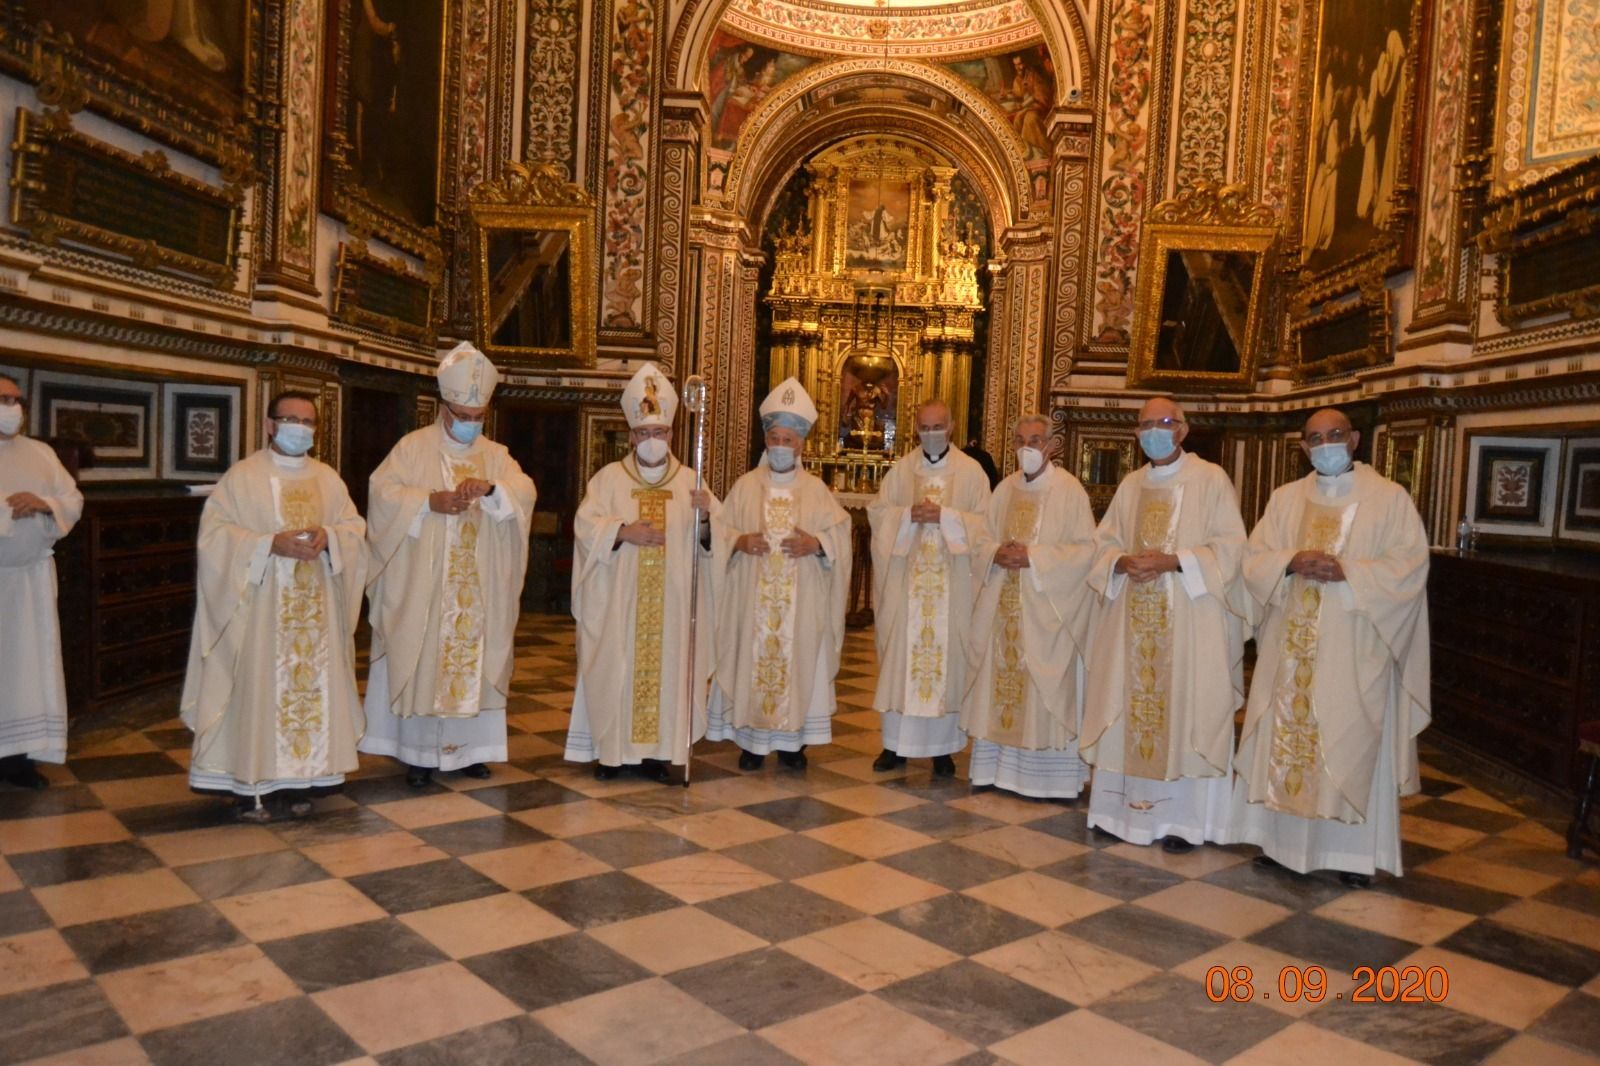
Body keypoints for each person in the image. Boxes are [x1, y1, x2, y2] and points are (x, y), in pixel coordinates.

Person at [1221, 408, 1430, 886]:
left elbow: (1409, 567)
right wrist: (1290, 561)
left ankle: (1352, 856)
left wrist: (1349, 571)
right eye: (1314, 438)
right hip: (1290, 648)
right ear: (1303, 448)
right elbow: (1254, 560)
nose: (1325, 444)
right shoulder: (1286, 499)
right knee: (1287, 743)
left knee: (1348, 742)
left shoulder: (1388, 498)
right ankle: (1279, 845)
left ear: (1355, 439)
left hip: (1354, 650)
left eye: (1335, 434)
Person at [182, 391, 368, 820]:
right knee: (259, 691)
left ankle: (300, 781)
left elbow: (353, 527)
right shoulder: (242, 478)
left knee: (307, 692)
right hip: (260, 612)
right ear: (269, 425)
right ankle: (251, 787)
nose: (299, 428)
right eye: (290, 419)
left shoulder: (328, 478)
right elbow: (214, 538)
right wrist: (268, 544)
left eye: (307, 422)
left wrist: (330, 538)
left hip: (314, 611)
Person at [362, 342, 537, 788]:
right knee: (426, 660)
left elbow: (524, 490)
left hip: (478, 592)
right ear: (444, 408)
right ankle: (418, 754)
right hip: (425, 589)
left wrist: (494, 491)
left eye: (478, 417)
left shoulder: (496, 454)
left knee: (473, 664)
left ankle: (469, 753)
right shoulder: (412, 448)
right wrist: (427, 503)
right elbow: (381, 495)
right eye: (462, 414)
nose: (470, 424)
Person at [1081, 397, 1248, 852]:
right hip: (1131, 619)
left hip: (1188, 623)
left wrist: (1175, 560)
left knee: (1185, 712)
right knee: (1125, 703)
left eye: (1165, 422)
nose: (1155, 430)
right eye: (1146, 424)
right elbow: (1102, 544)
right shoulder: (1131, 485)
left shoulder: (1211, 479)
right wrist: (1119, 563)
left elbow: (1232, 549)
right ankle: (1118, 811)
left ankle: (1184, 821)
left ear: (1183, 429)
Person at [567, 363, 716, 780]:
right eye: (645, 433)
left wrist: (706, 521)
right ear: (632, 435)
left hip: (671, 607)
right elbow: (584, 525)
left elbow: (712, 545)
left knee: (669, 670)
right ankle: (613, 754)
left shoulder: (692, 482)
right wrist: (621, 531)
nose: (653, 441)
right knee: (616, 667)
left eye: (661, 433)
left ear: (672, 434)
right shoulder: (608, 480)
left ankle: (663, 753)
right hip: (620, 604)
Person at [709, 378, 851, 771]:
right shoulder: (745, 485)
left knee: (800, 663)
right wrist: (738, 541)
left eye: (789, 440)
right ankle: (752, 744)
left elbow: (840, 533)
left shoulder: (817, 490)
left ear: (801, 445)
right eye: (775, 437)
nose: (782, 446)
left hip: (801, 603)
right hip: (751, 601)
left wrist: (818, 544)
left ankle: (793, 744)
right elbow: (720, 530)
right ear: (765, 440)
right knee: (751, 660)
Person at [963, 415, 1097, 798]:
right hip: (1002, 608)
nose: (1027, 448)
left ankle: (1048, 780)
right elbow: (981, 541)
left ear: (1052, 446)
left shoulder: (1069, 491)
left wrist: (1035, 558)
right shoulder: (1003, 490)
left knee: (1041, 690)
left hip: (1045, 614)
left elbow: (1086, 551)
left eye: (1035, 441)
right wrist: (995, 554)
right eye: (1020, 440)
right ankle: (994, 771)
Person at [867, 399, 992, 776]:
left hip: (952, 587)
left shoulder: (972, 473)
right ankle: (895, 747)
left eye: (938, 427)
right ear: (915, 429)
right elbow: (878, 513)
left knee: (947, 662)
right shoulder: (901, 471)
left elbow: (987, 524)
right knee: (901, 662)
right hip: (907, 587)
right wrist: (906, 516)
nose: (932, 434)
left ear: (951, 426)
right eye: (925, 427)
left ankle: (943, 750)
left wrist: (947, 518)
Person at [0, 374, 82, 790]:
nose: (12, 408)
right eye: (3, 399)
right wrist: (6, 512)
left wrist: (44, 503)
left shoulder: (40, 453)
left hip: (29, 581)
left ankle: (19, 758)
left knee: (27, 673)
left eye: (17, 400)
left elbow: (72, 500)